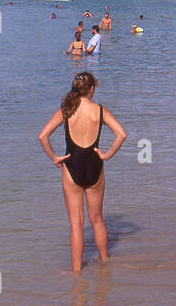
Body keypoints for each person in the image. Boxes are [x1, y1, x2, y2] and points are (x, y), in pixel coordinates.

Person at [37, 72, 127, 273]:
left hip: (71, 168)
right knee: (97, 219)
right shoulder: (100, 111)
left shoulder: (66, 110)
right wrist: (107, 155)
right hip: (94, 167)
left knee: (76, 224)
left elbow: (42, 136)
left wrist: (54, 157)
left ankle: (76, 272)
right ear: (92, 89)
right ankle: (105, 264)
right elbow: (121, 134)